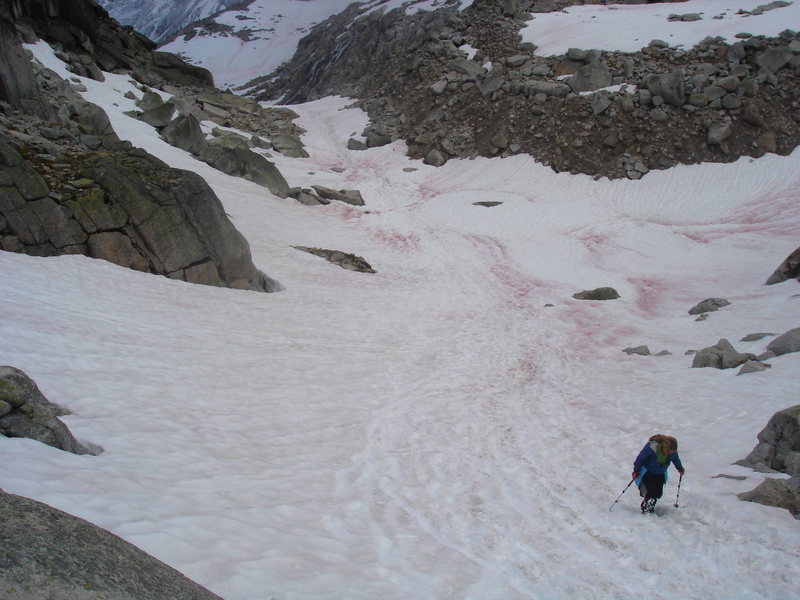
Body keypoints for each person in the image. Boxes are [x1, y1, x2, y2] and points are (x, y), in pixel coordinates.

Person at [632, 434, 685, 514]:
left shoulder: (672, 451)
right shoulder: (652, 447)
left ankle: (650, 506)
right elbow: (640, 459)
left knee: (658, 493)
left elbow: (675, 459)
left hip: (660, 472)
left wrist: (679, 468)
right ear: (664, 446)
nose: (668, 454)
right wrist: (636, 470)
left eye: (670, 453)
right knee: (652, 491)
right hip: (648, 472)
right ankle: (646, 509)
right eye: (667, 452)